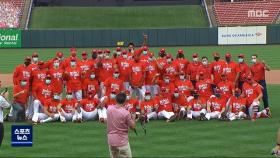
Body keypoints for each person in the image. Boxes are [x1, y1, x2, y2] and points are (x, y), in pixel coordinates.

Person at [107, 92, 135, 158]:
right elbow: (132, 127)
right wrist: (133, 118)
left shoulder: (109, 108)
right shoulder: (126, 113)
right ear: (125, 101)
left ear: (116, 100)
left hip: (111, 141)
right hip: (122, 142)